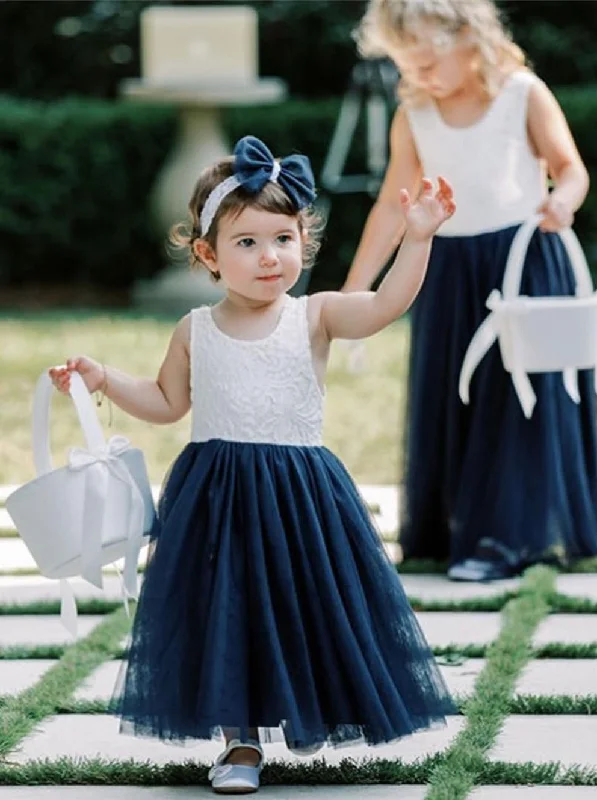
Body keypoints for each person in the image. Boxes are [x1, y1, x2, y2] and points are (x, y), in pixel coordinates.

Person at [49, 135, 455, 795]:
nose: (269, 257)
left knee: (309, 605)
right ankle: (238, 742)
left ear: (303, 241)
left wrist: (417, 241)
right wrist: (102, 377)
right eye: (247, 243)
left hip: (302, 496)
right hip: (218, 497)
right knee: (226, 611)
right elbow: (164, 401)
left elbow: (385, 307)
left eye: (283, 239)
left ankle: (317, 706)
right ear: (207, 253)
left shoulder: (315, 316)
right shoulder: (194, 329)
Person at [343, 0, 597, 582]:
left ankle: (505, 538)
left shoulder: (523, 94)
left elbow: (571, 166)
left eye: (430, 61)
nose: (420, 76)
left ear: (469, 39)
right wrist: (357, 288)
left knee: (513, 403)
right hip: (447, 269)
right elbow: (391, 204)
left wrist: (564, 199)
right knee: (451, 393)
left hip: (522, 265)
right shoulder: (414, 114)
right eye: (407, 65)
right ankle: (449, 528)